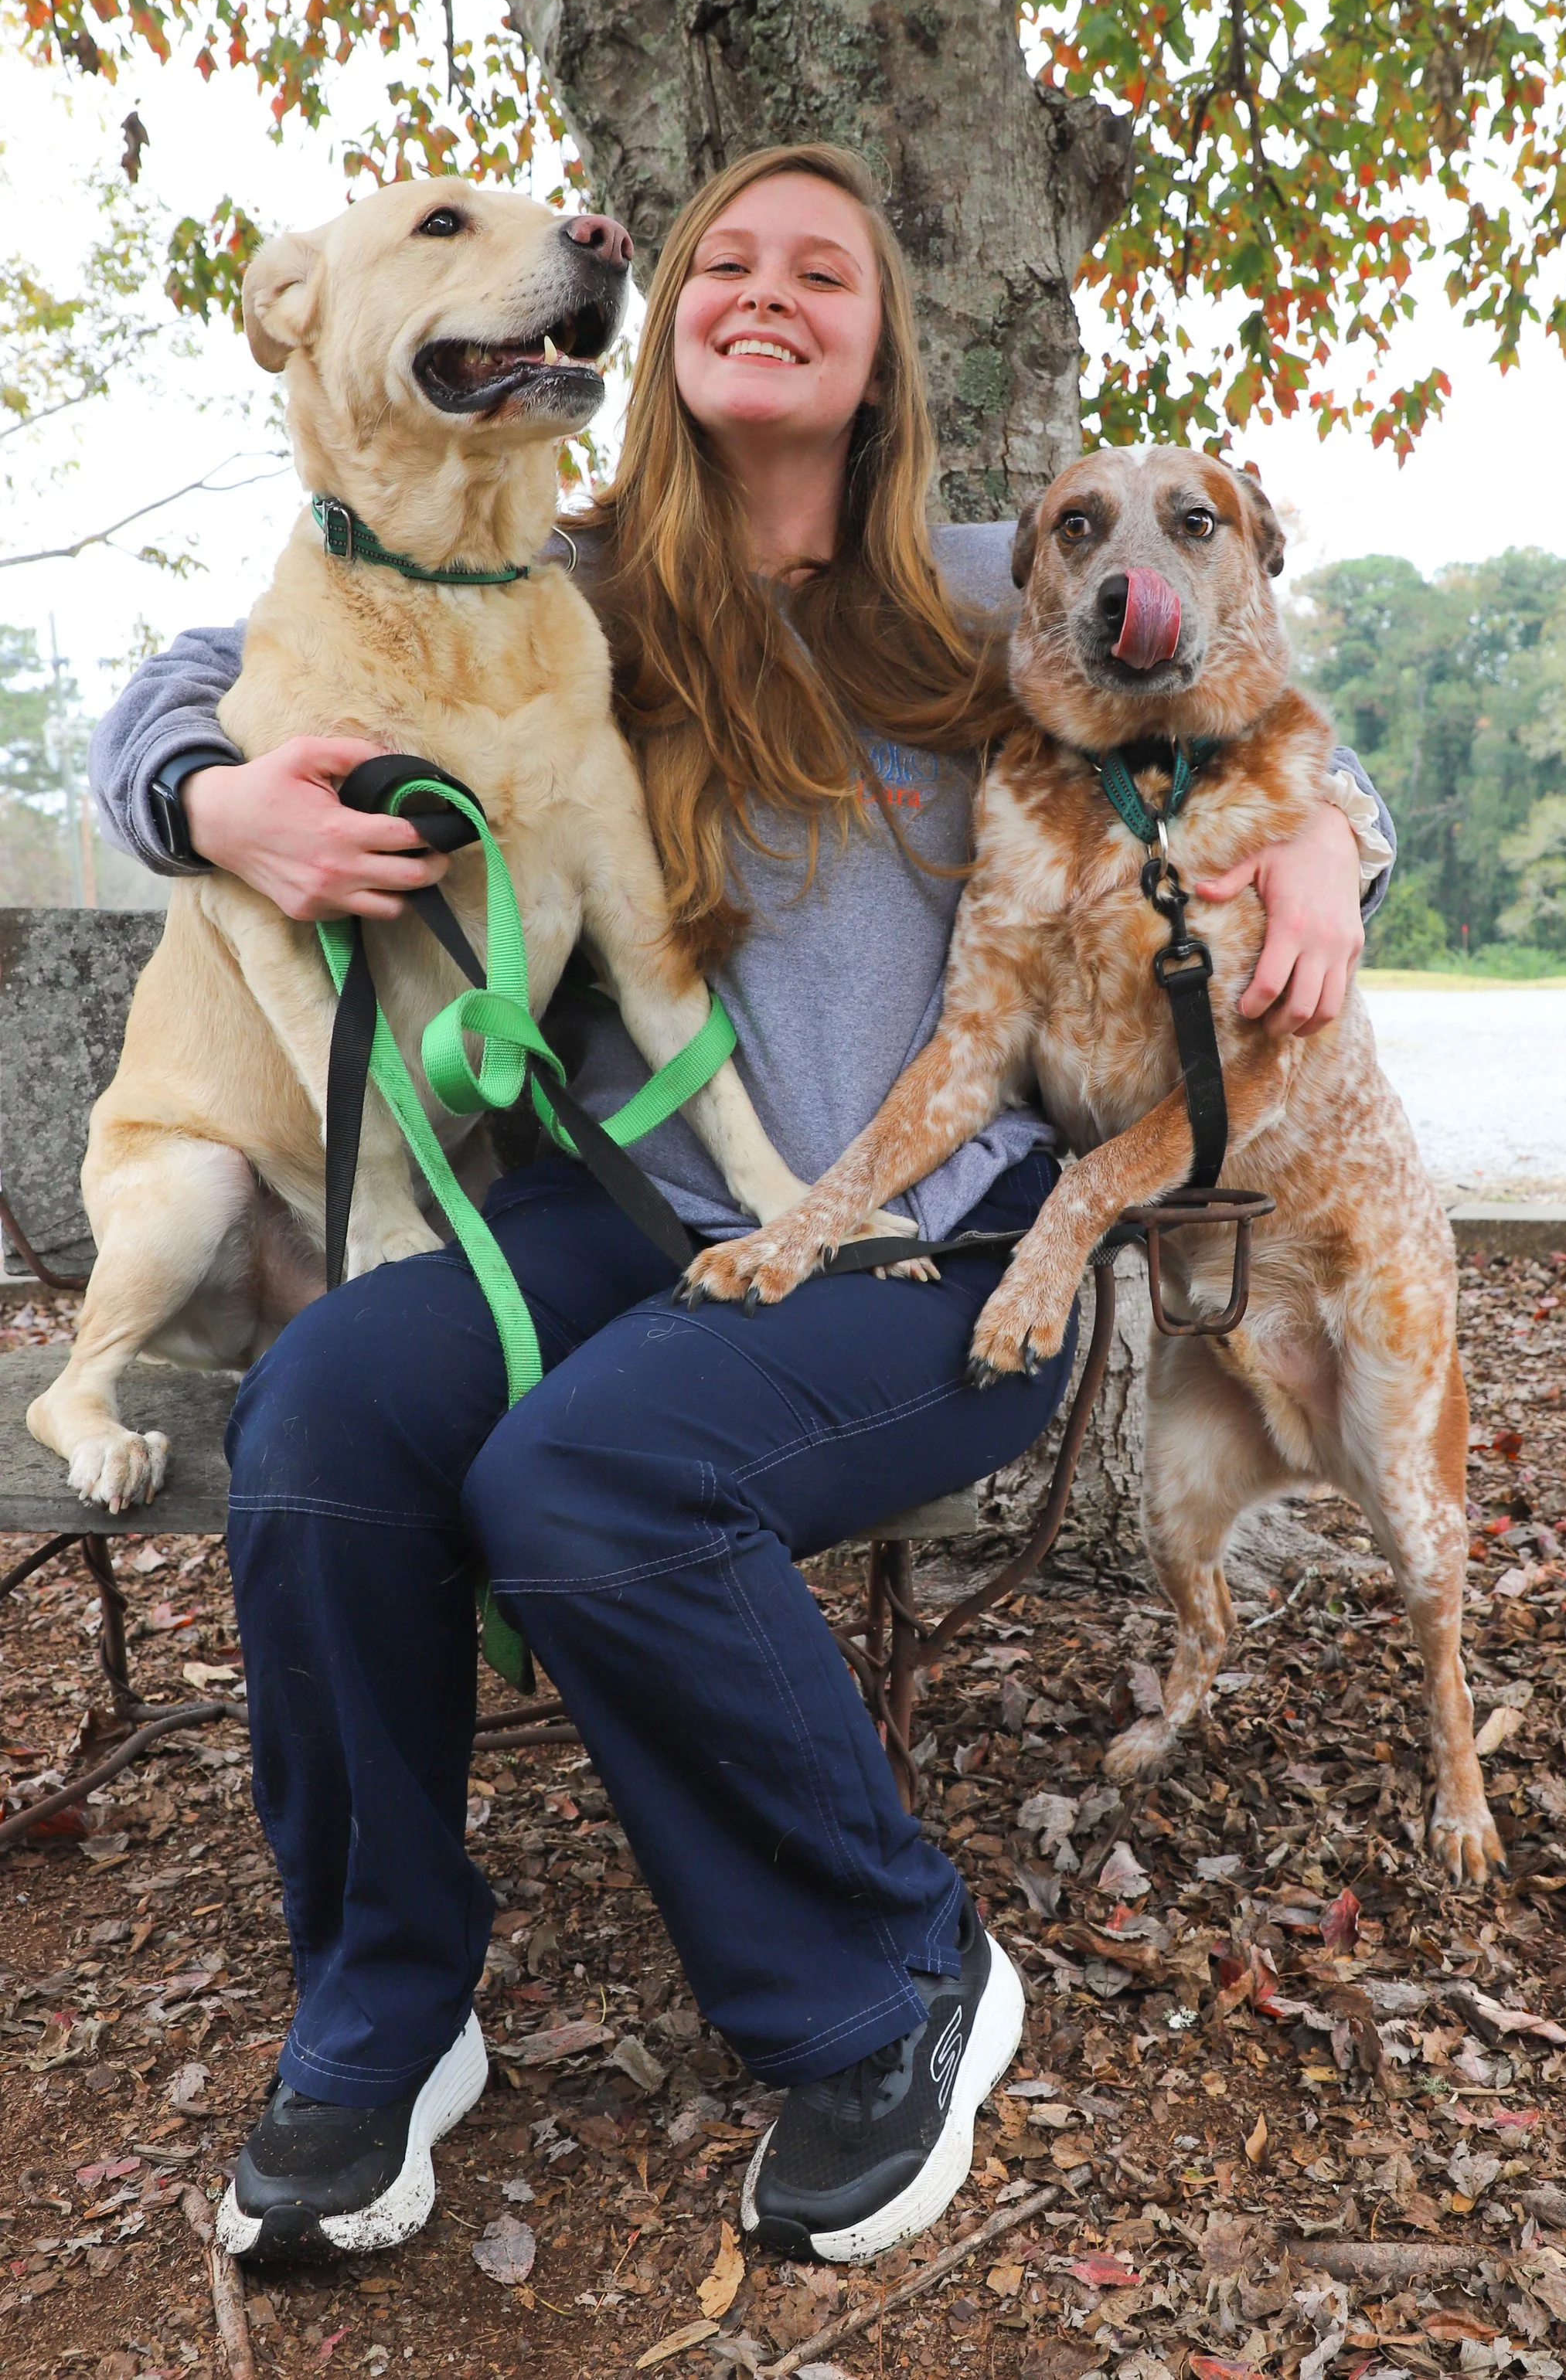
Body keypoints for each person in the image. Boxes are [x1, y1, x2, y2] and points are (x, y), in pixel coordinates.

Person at [90, 142, 1397, 2270]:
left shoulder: (1004, 583)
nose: (769, 291)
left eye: (827, 271)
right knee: (322, 1411)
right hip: (629, 1216)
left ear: (882, 350)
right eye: (724, 264)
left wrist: (1335, 841)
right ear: (656, 324)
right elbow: (196, 666)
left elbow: (1263, 701)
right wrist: (209, 792)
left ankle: (891, 1978)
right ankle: (382, 2006)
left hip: (933, 1250)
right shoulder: (556, 574)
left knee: (588, 1476)